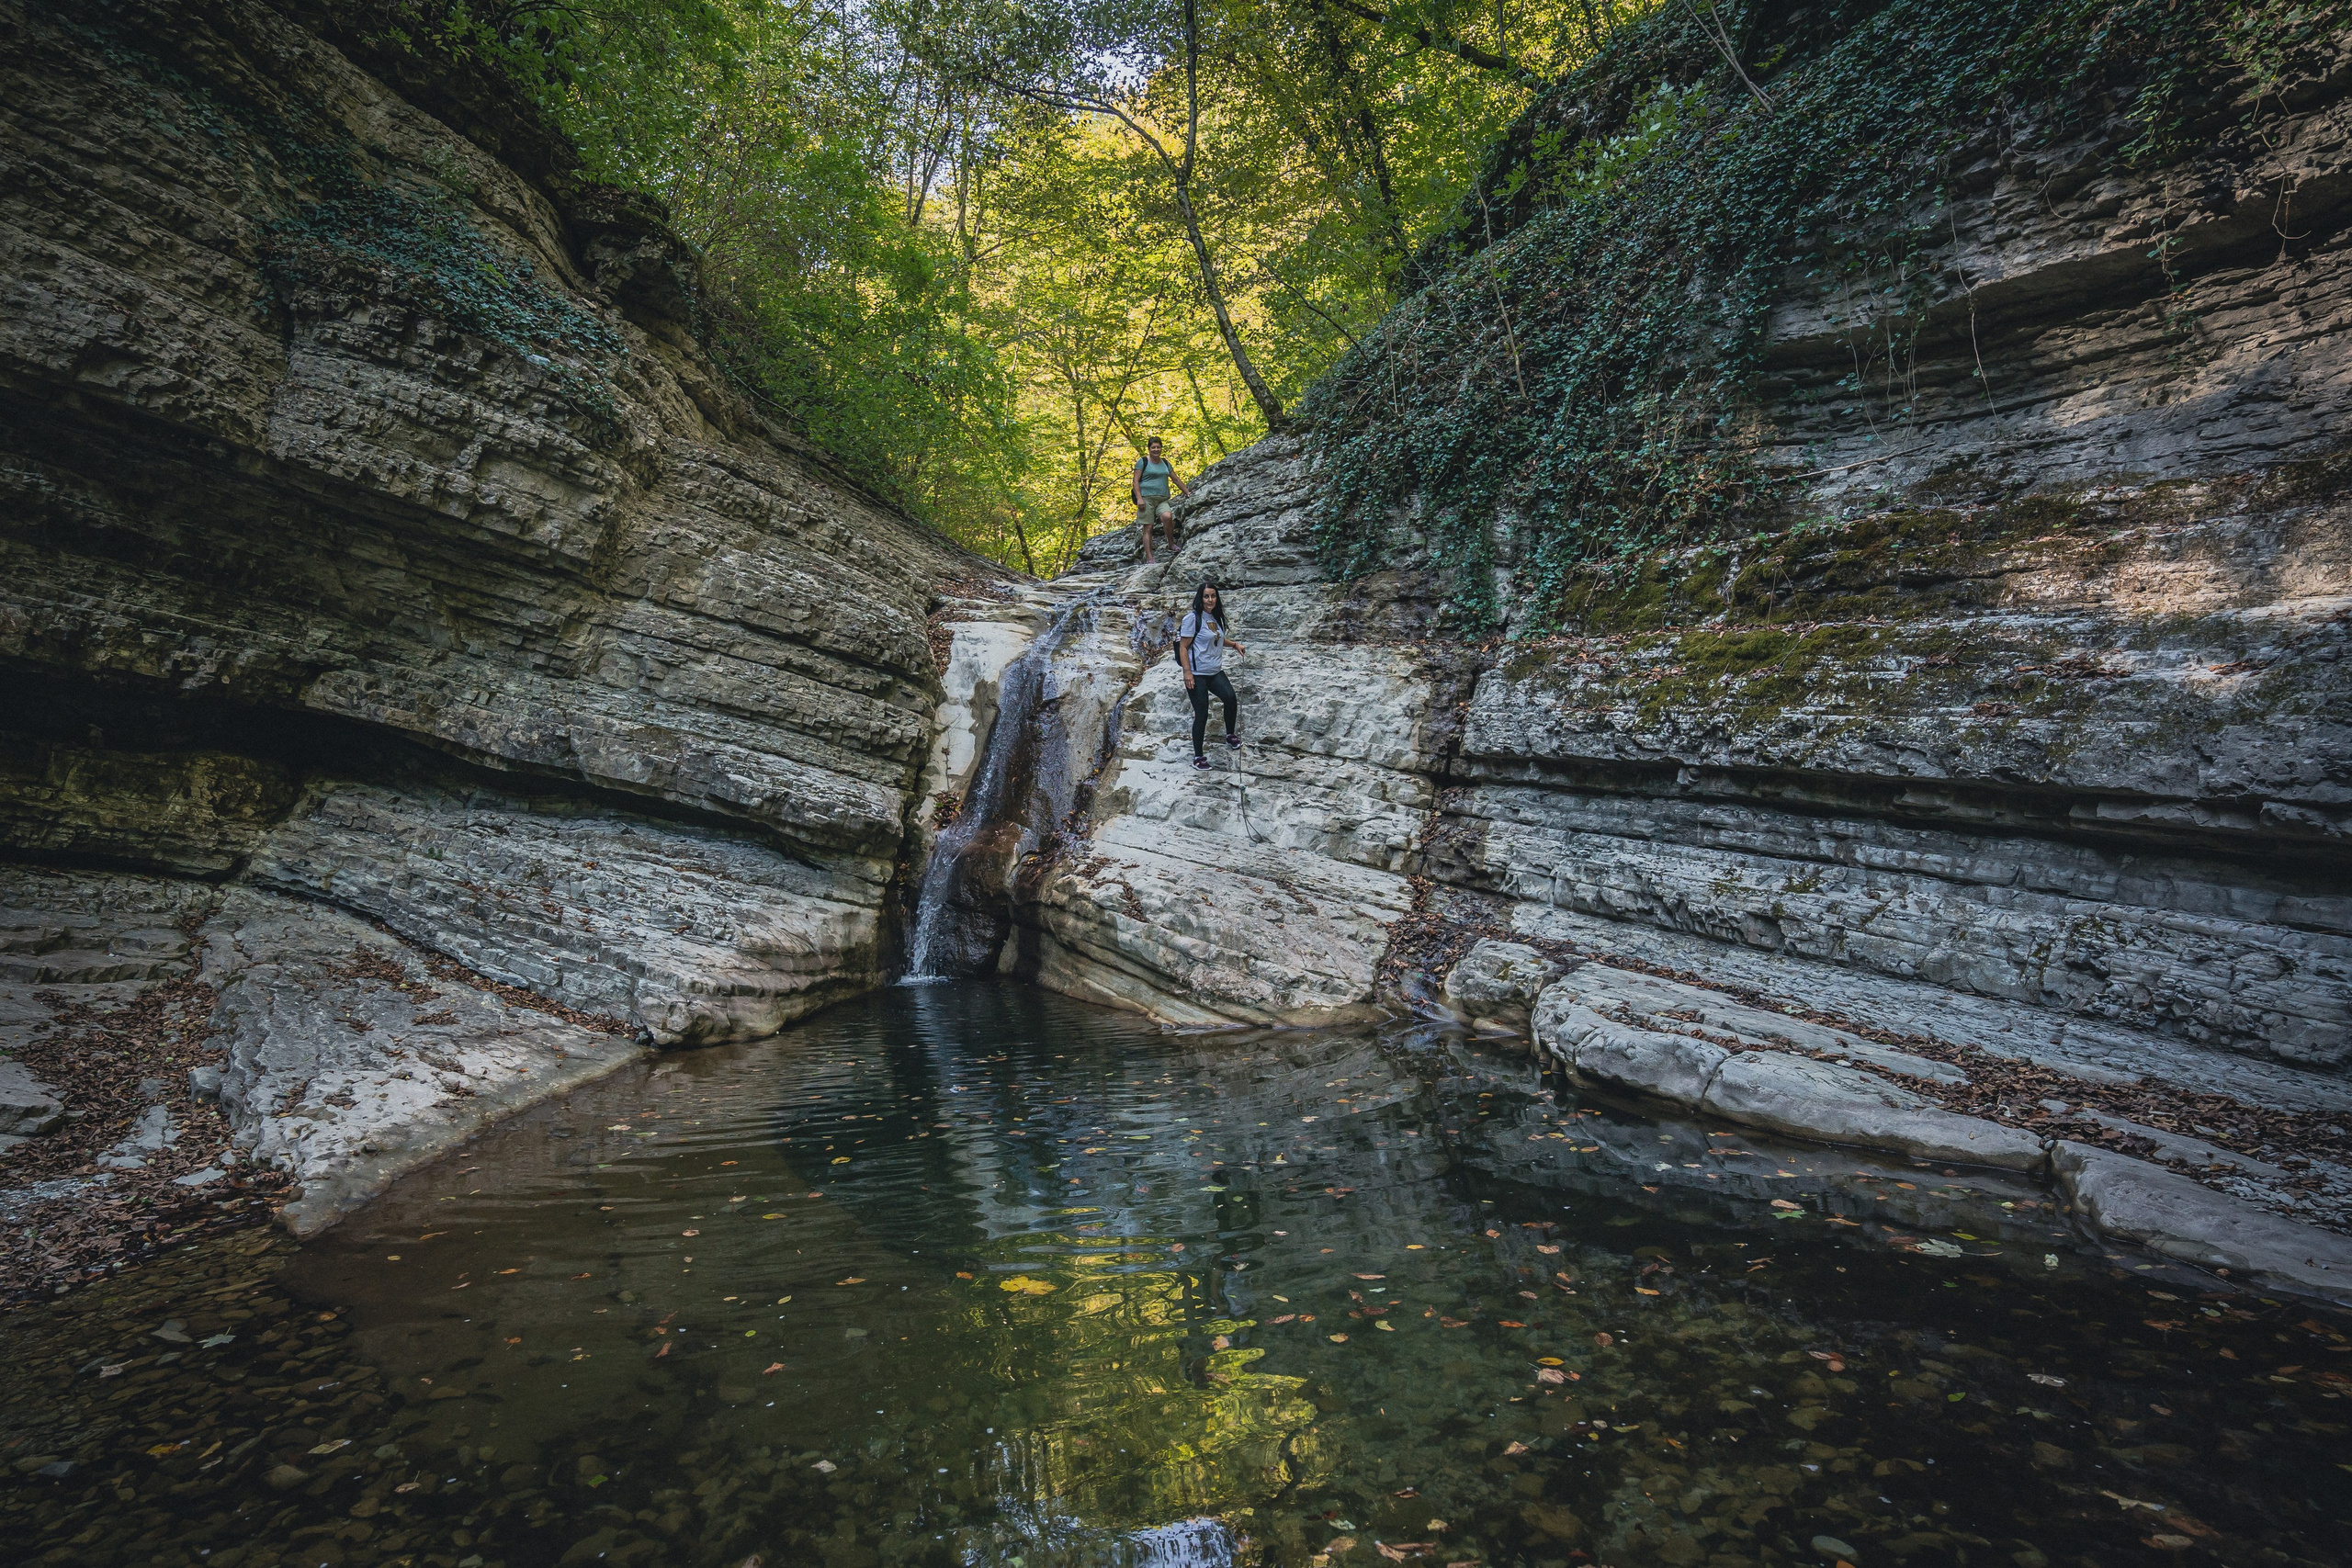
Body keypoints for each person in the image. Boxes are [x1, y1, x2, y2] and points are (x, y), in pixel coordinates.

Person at [1178, 581, 1247, 770]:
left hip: (1214, 671)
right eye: (1206, 596)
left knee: (1230, 698)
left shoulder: (1214, 617)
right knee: (1202, 714)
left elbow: (1217, 637)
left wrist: (1234, 645)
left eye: (1213, 596)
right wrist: (1187, 672)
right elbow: (1183, 647)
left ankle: (1230, 734)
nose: (1210, 600)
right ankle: (1198, 757)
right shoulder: (1192, 618)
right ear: (1200, 598)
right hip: (1197, 674)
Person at [1132, 436, 1190, 564]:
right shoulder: (1142, 462)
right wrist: (1139, 498)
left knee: (1167, 517)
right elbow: (1135, 481)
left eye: (1158, 447)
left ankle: (1171, 543)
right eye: (1153, 447)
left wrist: (1187, 492)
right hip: (1146, 499)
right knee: (1148, 527)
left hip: (1162, 499)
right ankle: (1149, 557)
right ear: (1149, 449)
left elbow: (1175, 479)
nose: (1156, 450)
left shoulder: (1165, 463)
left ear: (1161, 448)